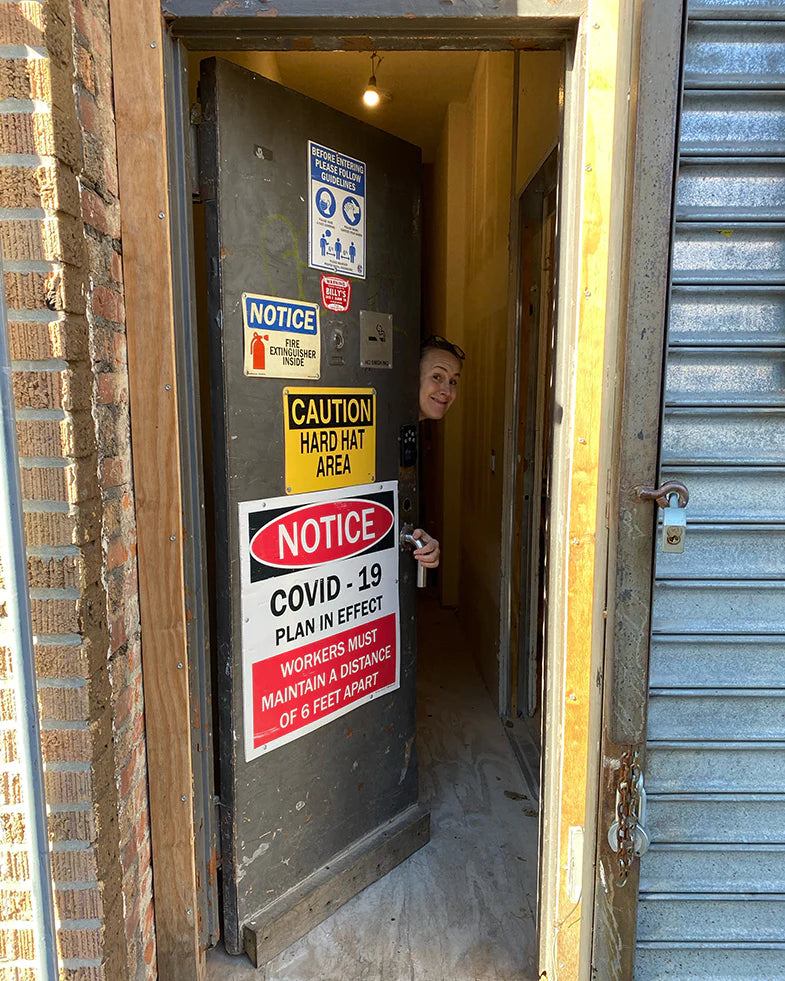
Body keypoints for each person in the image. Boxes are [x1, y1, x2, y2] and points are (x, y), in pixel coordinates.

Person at [412, 335, 465, 571]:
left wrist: (425, 543)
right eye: (437, 376)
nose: (446, 391)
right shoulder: (381, 430)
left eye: (453, 381)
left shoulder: (412, 432)